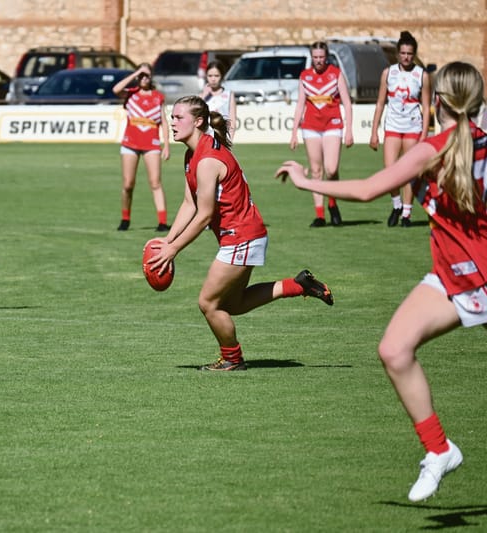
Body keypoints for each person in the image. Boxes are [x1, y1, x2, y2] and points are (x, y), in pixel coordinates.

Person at [277, 61, 486, 502]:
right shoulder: (453, 147)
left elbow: (369, 189)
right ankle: (439, 450)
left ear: (439, 102)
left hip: (474, 277)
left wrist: (304, 180)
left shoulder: (435, 148)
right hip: (454, 278)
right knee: (393, 349)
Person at [146, 95, 334, 371]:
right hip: (244, 235)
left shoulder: (207, 160)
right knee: (232, 304)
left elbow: (204, 215)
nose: (171, 122)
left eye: (177, 117)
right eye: (171, 117)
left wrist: (173, 250)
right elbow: (190, 203)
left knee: (209, 303)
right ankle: (299, 285)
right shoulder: (193, 154)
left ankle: (233, 359)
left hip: (242, 236)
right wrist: (168, 239)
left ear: (198, 121)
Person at [370, 31, 431, 227]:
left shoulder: (422, 75)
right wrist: (374, 131)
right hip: (393, 126)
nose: (406, 57)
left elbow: (426, 107)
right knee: (390, 170)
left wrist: (424, 134)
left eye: (410, 54)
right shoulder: (388, 73)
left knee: (409, 173)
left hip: (413, 127)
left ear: (414, 54)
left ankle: (406, 213)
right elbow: (380, 103)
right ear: (398, 54)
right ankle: (396, 205)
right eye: (403, 53)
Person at [290, 41, 354, 227]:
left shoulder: (335, 74)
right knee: (316, 171)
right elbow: (300, 104)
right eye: (315, 57)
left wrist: (349, 129)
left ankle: (333, 203)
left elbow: (347, 103)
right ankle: (320, 215)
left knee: (331, 169)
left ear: (327, 57)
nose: (318, 61)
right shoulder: (305, 76)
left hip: (332, 125)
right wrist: (294, 132)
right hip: (311, 127)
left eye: (321, 57)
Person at [112, 62, 171, 231]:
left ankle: (162, 221)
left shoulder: (158, 97)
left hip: (151, 143)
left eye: (147, 75)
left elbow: (164, 122)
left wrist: (166, 145)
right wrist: (136, 72)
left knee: (155, 182)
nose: (144, 78)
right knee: (128, 184)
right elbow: (116, 89)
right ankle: (125, 218)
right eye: (141, 75)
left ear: (151, 77)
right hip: (130, 143)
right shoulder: (131, 94)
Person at [201, 61, 237, 142]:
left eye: (216, 76)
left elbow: (232, 120)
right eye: (210, 76)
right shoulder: (202, 96)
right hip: (206, 137)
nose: (213, 79)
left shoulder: (229, 95)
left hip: (222, 136)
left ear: (222, 76)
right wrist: (204, 96)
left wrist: (229, 140)